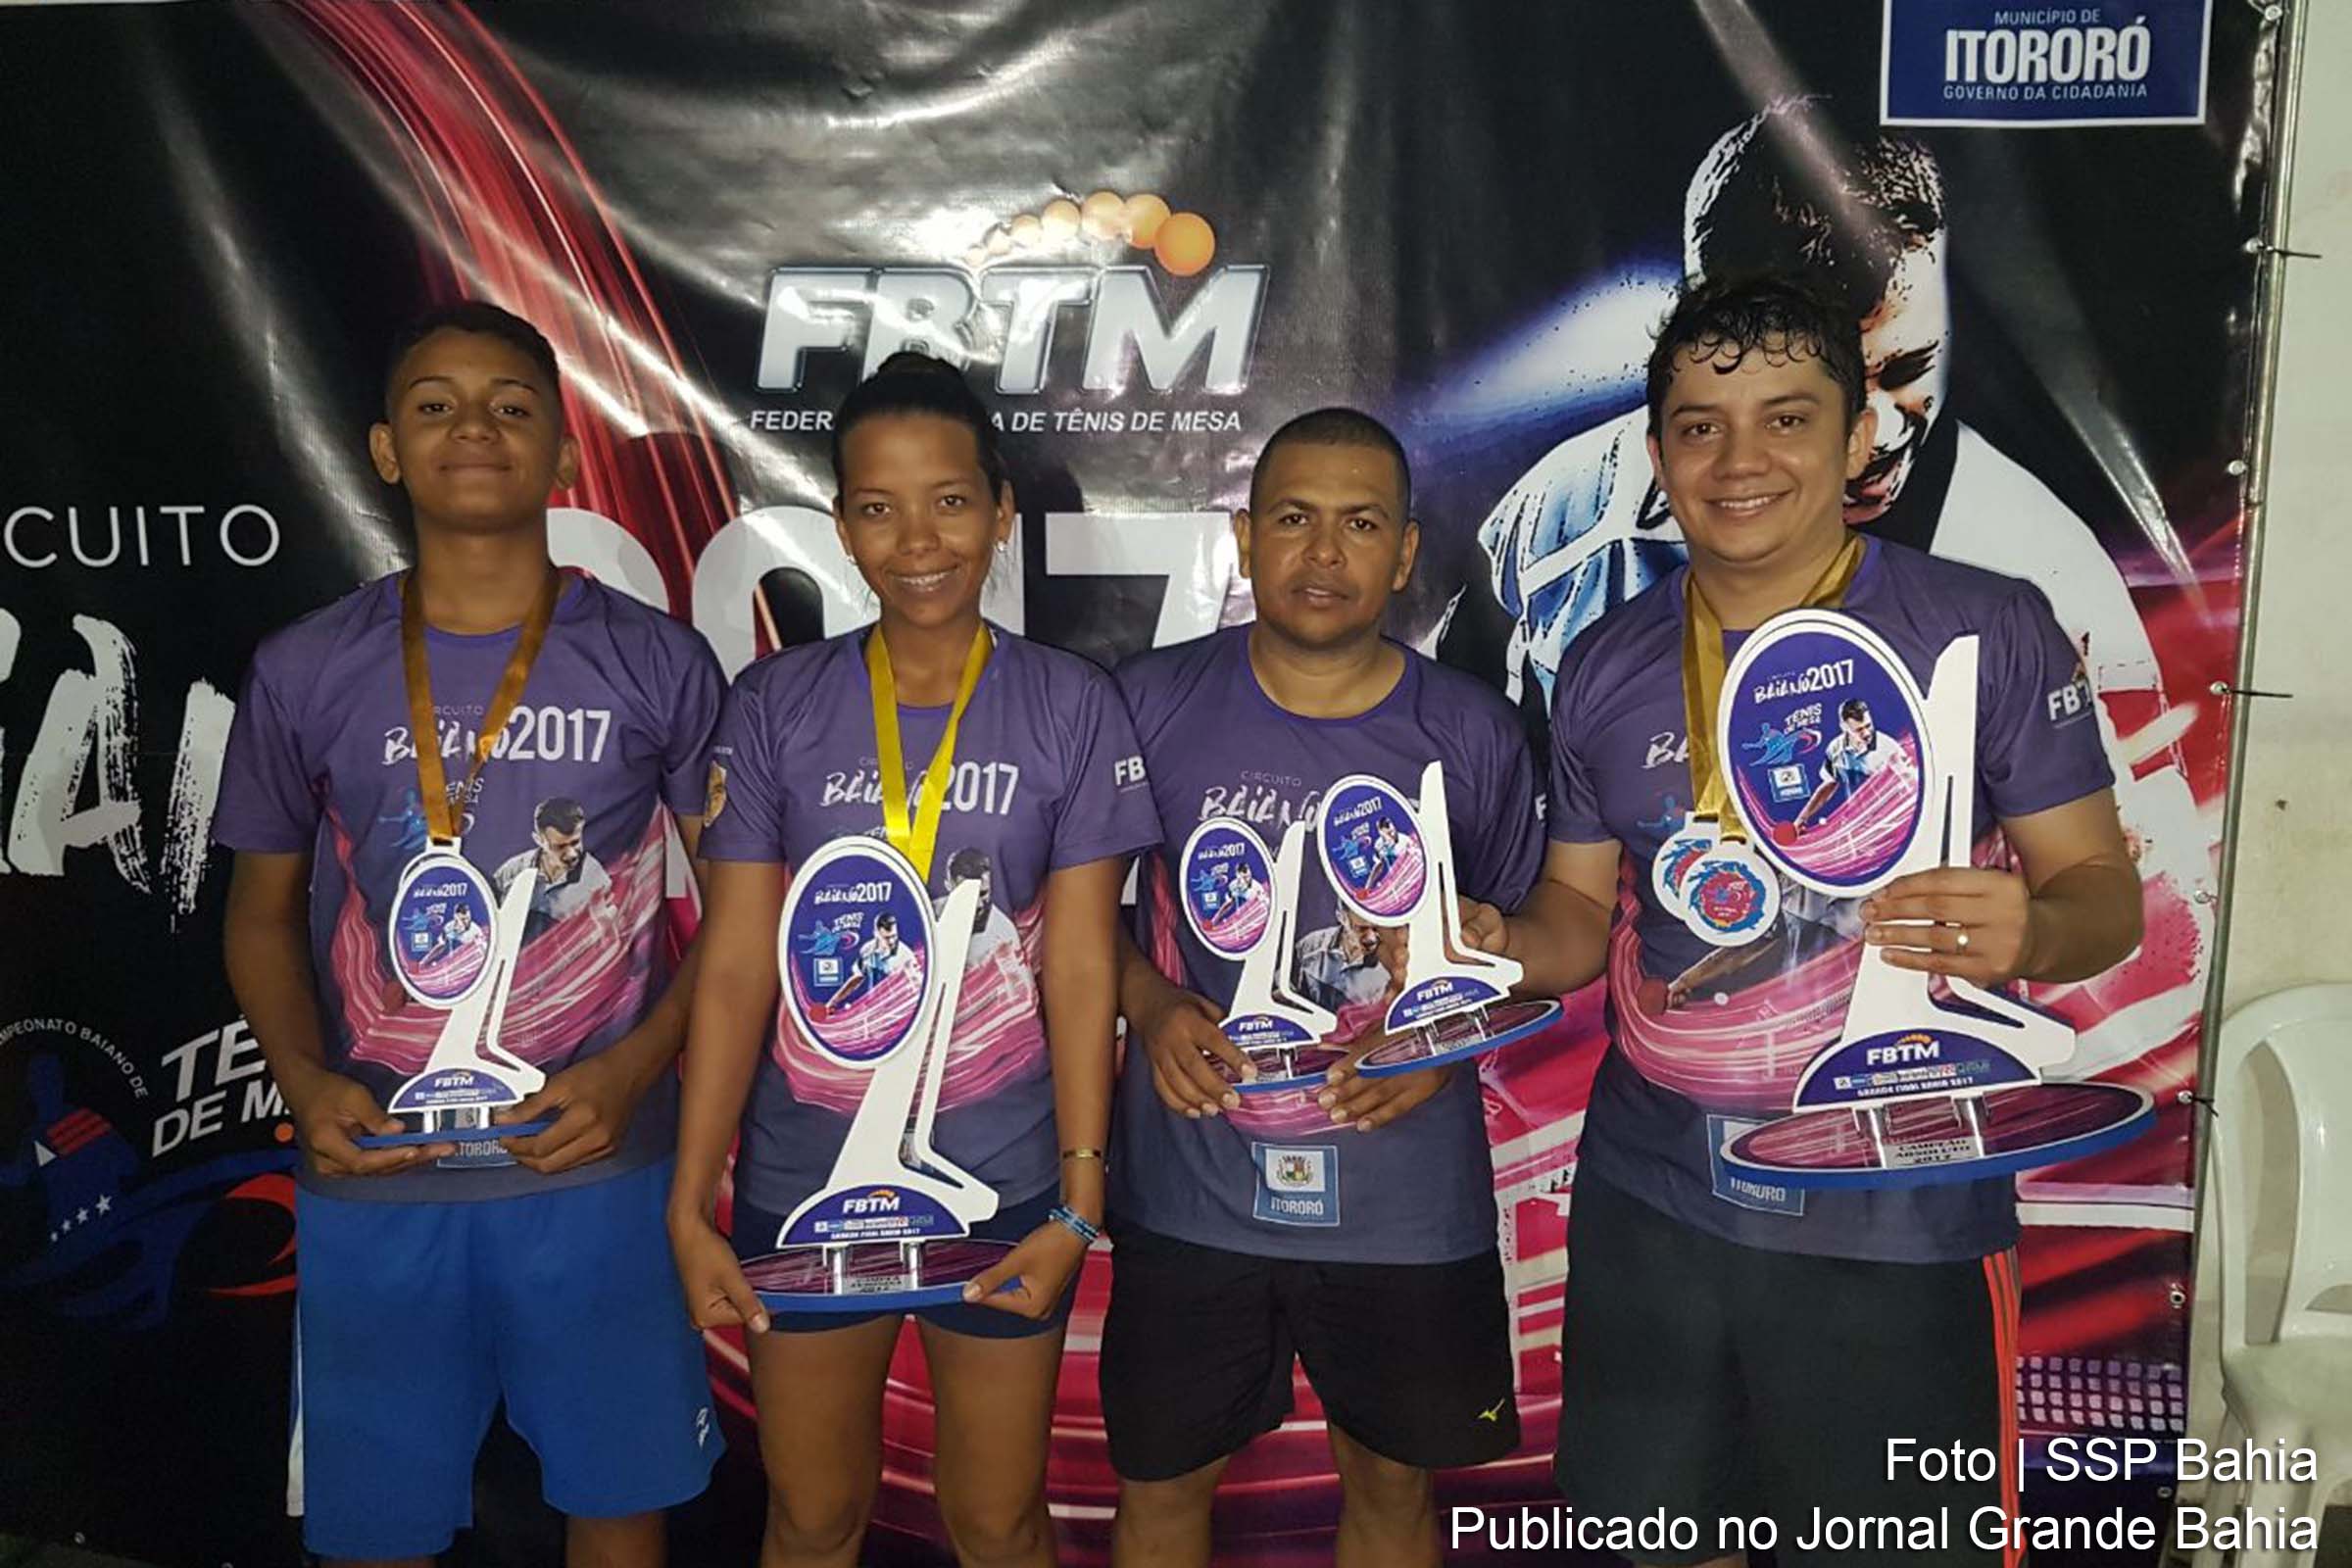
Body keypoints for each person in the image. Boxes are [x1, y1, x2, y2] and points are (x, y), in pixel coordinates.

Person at [1487, 274, 2142, 1567]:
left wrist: (2034, 930)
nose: (1739, 461)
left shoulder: (1983, 627)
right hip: (1656, 1201)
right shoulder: (1609, 658)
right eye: (1699, 425)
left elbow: (2100, 901)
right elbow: (1571, 915)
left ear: (1855, 439)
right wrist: (1480, 948)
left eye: (1787, 419)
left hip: (1895, 1213)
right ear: (1658, 447)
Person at [216, 301, 725, 1567]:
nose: (472, 430)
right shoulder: (303, 669)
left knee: (620, 1506)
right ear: (385, 450)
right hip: (375, 1174)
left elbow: (744, 917)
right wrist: (306, 1083)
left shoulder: (658, 663)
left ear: (563, 453)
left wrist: (636, 1064)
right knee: (375, 1531)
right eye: (434, 405)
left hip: (594, 1171)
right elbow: (260, 914)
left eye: (510, 405)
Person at [668, 352, 1157, 1568]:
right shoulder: (776, 703)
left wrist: (1080, 1203)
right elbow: (733, 967)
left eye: (948, 499)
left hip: (1000, 1189)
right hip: (804, 1180)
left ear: (1001, 512)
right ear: (840, 526)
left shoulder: (1069, 702)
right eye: (877, 507)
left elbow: (1083, 968)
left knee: (996, 1522)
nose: (917, 537)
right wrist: (691, 1202)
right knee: (814, 1517)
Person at [1105, 410, 1541, 1568]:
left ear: (1404, 553)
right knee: (1158, 1486)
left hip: (1402, 1206)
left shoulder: (1474, 732)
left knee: (1394, 1491)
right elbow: (1071, 918)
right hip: (1192, 1191)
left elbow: (1522, 946)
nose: (1324, 553)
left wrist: (1441, 1045)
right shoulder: (1145, 706)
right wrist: (1149, 1002)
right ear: (1244, 538)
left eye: (1360, 525)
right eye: (1294, 519)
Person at [493, 795, 614, 939]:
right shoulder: (511, 871)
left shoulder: (597, 881)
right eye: (560, 846)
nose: (571, 854)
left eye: (575, 842)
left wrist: (607, 929)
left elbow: (612, 940)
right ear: (538, 840)